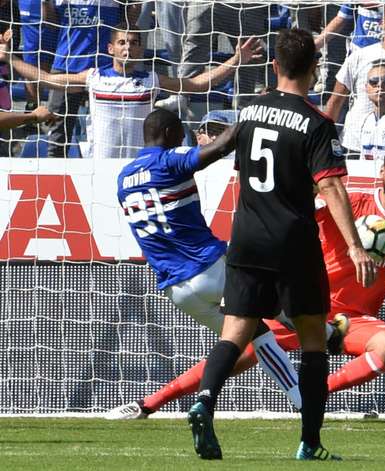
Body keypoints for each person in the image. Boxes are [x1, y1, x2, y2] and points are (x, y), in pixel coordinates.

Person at [98, 145, 385, 416]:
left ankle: (316, 395)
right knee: (235, 352)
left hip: (351, 320)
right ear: (382, 171)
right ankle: (146, 405)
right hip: (304, 304)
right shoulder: (347, 203)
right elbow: (291, 222)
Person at [186, 28, 375, 461]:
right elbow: (331, 188)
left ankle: (205, 400)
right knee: (312, 338)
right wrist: (354, 246)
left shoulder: (250, 112)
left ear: (275, 66)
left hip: (247, 238)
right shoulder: (316, 122)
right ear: (315, 70)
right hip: (293, 241)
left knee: (235, 332)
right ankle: (310, 441)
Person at [109, 108, 301, 420]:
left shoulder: (123, 178)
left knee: (256, 335)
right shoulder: (171, 159)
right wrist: (257, 117)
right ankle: (331, 337)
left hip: (176, 290)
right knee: (286, 311)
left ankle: (300, 398)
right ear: (171, 134)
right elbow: (221, 147)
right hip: (210, 268)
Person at [0, 27, 263, 159]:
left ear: (141, 49)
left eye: (135, 43)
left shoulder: (150, 80)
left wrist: (236, 60)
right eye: (122, 42)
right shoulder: (94, 77)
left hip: (139, 167)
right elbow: (46, 79)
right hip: (99, 168)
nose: (129, 47)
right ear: (110, 48)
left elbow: (196, 85)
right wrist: (9, 58)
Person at [41, 0, 140, 158]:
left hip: (104, 69)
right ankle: (56, 175)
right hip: (66, 65)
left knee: (111, 128)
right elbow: (51, 24)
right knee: (57, 133)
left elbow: (128, 23)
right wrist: (45, 3)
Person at [326, 3, 385, 155]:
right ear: (382, 24)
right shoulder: (359, 56)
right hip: (354, 144)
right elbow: (335, 102)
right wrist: (323, 140)